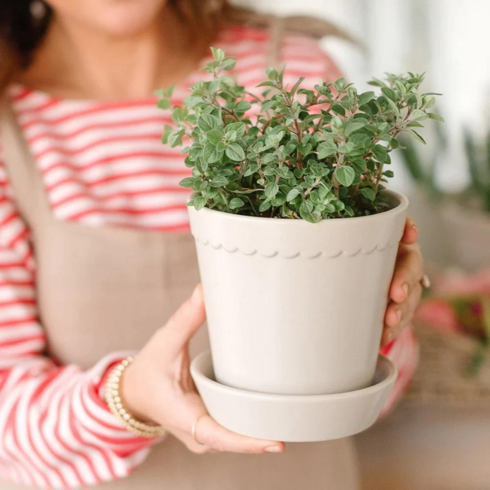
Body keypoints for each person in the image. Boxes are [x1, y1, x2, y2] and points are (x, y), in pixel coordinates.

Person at [0, 1, 423, 488]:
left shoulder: (291, 77)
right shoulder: (10, 125)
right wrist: (127, 397)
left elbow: (384, 390)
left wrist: (384, 314)